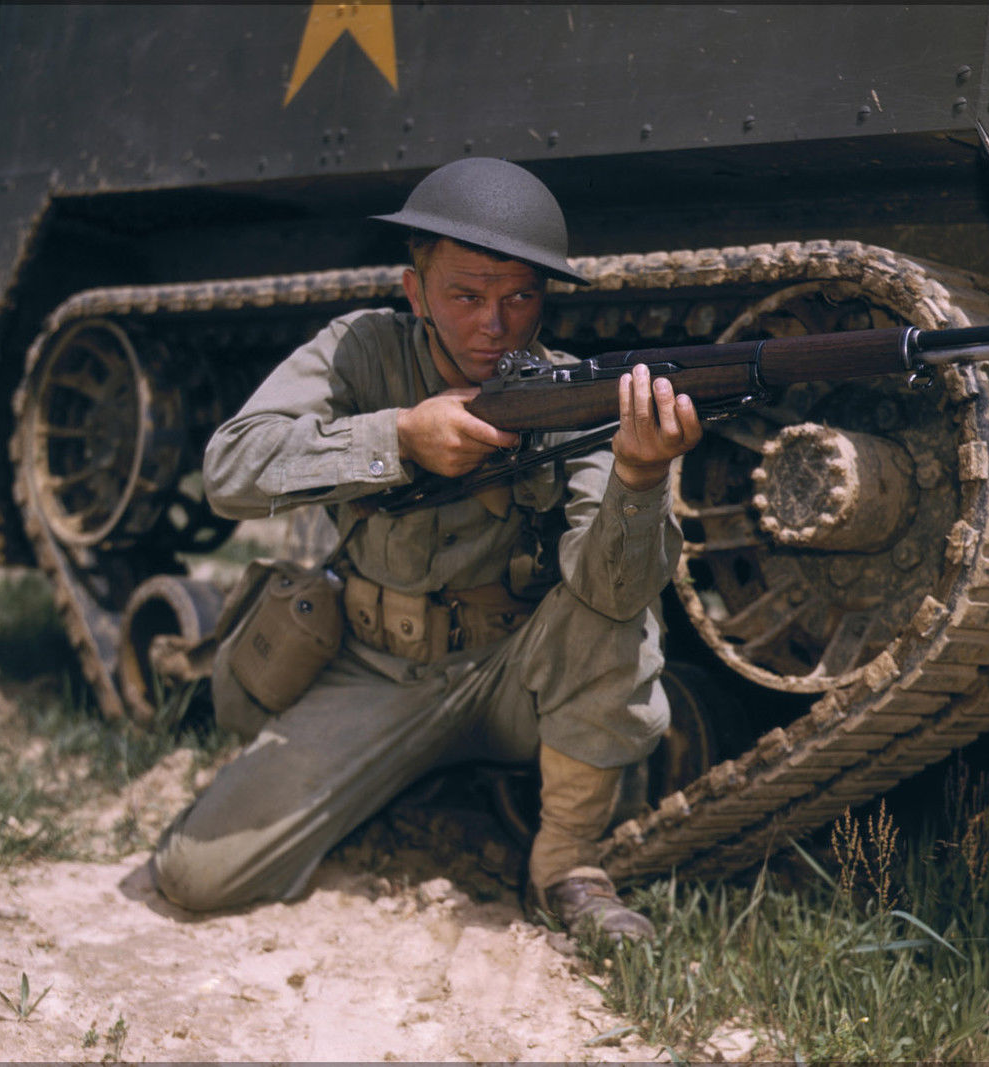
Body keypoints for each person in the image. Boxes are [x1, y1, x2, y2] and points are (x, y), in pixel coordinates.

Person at [151, 157, 702, 941]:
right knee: (195, 875)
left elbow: (617, 592)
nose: (495, 323)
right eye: (466, 295)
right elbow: (229, 470)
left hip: (515, 672)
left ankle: (567, 866)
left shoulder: (575, 391)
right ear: (417, 293)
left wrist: (642, 477)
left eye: (520, 296)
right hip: (372, 663)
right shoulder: (362, 351)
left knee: (609, 615)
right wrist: (396, 436)